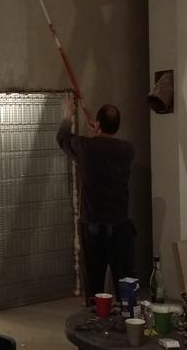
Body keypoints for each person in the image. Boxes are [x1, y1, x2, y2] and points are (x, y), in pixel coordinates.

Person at [56, 95, 136, 304]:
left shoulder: (85, 147)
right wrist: (97, 136)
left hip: (92, 226)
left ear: (98, 124)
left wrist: (67, 115)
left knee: (94, 282)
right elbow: (104, 149)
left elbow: (63, 138)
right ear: (117, 126)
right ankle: (129, 317)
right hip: (120, 227)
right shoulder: (127, 150)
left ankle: (96, 317)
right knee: (126, 281)